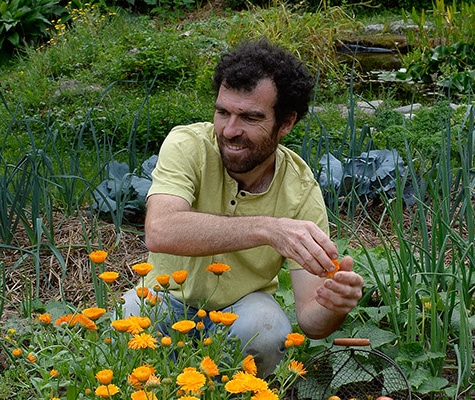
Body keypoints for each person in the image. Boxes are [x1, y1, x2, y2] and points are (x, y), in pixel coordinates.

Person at [121, 39, 365, 377]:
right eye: (223, 112)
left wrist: (333, 306)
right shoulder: (188, 145)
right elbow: (160, 231)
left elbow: (311, 321)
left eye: (250, 117)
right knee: (129, 314)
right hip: (166, 296)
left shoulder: (299, 188)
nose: (230, 130)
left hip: (243, 308)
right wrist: (268, 229)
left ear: (286, 123)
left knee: (267, 331)